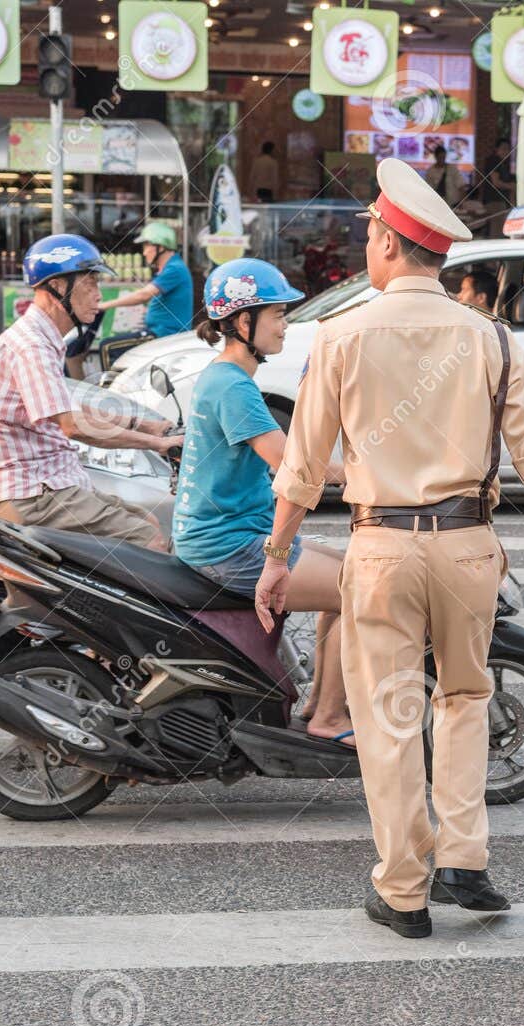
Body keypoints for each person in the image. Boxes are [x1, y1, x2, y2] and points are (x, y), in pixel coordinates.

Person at [255, 157, 524, 938]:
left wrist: (276, 557)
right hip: (470, 547)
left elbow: (300, 471)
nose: (366, 244)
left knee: (392, 716)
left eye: (369, 233)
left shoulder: (341, 334)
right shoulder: (492, 340)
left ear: (391, 245)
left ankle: (404, 890)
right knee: (464, 699)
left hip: (382, 547)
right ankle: (465, 858)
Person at [176, 257, 352, 746]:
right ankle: (330, 719)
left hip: (231, 534)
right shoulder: (232, 385)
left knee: (350, 571)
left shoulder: (226, 378)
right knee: (360, 590)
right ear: (241, 322)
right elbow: (290, 465)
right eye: (277, 314)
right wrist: (358, 476)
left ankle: (319, 701)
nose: (285, 323)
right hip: (227, 546)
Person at [0, 234, 183, 548]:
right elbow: (73, 426)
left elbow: (70, 410)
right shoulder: (32, 346)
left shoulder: (44, 339)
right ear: (57, 288)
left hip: (48, 485)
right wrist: (156, 444)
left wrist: (150, 426)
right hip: (30, 494)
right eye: (90, 284)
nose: (99, 295)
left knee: (148, 520)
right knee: (147, 539)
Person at [100, 221, 194, 338]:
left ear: (160, 247)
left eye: (146, 246)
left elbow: (143, 295)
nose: (144, 253)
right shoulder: (169, 267)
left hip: (165, 335)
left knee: (107, 346)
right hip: (158, 332)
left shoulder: (175, 269)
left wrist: (105, 305)